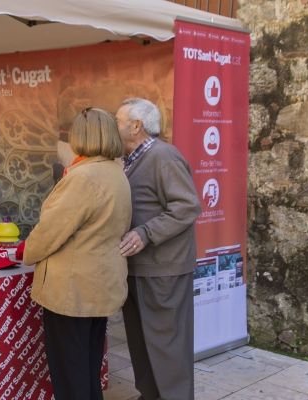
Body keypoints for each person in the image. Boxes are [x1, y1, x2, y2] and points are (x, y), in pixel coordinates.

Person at [23, 108, 131, 400]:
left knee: (71, 376)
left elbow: (51, 231)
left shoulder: (83, 177)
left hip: (72, 290)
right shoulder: (115, 172)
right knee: (87, 369)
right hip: (99, 283)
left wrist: (27, 253)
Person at [115, 98, 201, 400]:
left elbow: (187, 206)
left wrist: (146, 232)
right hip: (140, 266)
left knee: (167, 345)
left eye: (118, 120)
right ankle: (150, 394)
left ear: (136, 126)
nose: (115, 127)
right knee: (141, 342)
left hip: (163, 268)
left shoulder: (164, 157)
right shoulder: (132, 158)